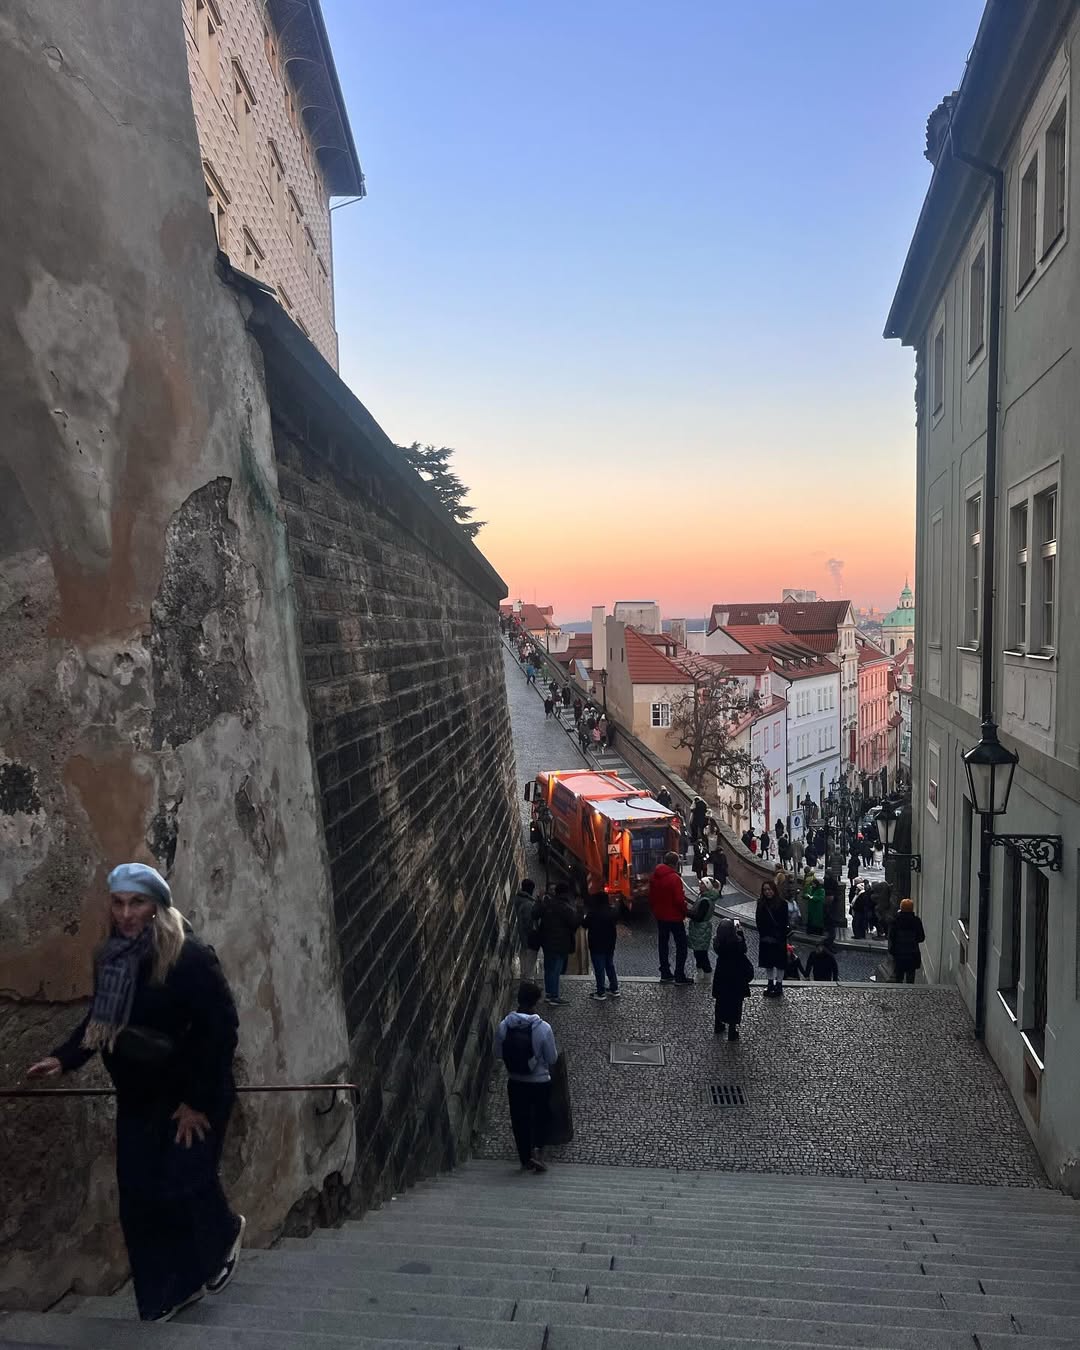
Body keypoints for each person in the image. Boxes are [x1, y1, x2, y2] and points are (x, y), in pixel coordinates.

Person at [27, 863, 243, 1323]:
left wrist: (196, 1103)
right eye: (119, 903)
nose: (126, 914)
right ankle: (164, 1295)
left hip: (190, 1095)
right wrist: (63, 1059)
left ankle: (224, 1233)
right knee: (139, 1200)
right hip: (139, 1097)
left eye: (137, 903)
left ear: (156, 907)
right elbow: (101, 1021)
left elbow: (221, 1031)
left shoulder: (189, 958)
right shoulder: (111, 957)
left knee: (183, 1182)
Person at [494, 981, 559, 1174]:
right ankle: (537, 1150)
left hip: (515, 1081)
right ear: (536, 1002)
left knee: (519, 1119)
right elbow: (552, 1058)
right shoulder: (543, 1028)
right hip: (540, 1082)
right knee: (542, 1116)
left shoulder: (504, 1026)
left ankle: (525, 1158)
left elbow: (498, 1053)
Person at [649, 852, 692, 984]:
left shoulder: (655, 876)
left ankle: (665, 973)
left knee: (663, 944)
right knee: (682, 945)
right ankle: (679, 975)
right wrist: (685, 911)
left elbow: (651, 896)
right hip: (674, 917)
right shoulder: (674, 878)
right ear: (675, 863)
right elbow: (679, 900)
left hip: (660, 916)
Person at [711, 919, 754, 1040]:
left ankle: (718, 1024)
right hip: (736, 975)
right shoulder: (737, 942)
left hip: (722, 974)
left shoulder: (718, 943)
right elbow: (743, 949)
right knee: (735, 1003)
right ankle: (732, 1030)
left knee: (720, 1000)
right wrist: (740, 933)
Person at [538, 882, 580, 1005]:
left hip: (546, 941)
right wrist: (579, 909)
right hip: (560, 943)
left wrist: (540, 900)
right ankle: (554, 996)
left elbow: (535, 914)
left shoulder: (548, 904)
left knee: (548, 969)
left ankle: (549, 994)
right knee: (556, 970)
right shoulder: (565, 907)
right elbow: (574, 923)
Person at [756, 879, 790, 999]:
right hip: (766, 937)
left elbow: (785, 921)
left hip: (779, 938)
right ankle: (770, 983)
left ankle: (779, 984)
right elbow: (758, 920)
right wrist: (763, 933)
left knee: (779, 963)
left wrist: (779, 934)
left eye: (769, 889)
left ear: (774, 890)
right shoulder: (761, 903)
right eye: (765, 890)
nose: (767, 892)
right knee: (768, 963)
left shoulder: (783, 903)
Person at [582, 892, 620, 1001]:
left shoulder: (593, 912)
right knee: (610, 966)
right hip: (610, 944)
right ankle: (614, 988)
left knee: (599, 969)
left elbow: (584, 924)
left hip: (596, 944)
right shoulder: (612, 911)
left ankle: (601, 992)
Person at [889, 898, 926, 983]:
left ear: (901, 908)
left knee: (898, 977)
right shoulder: (916, 921)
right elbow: (921, 937)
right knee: (910, 977)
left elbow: (891, 937)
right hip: (912, 953)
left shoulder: (896, 921)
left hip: (899, 953)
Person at [511, 878, 541, 980]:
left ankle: (525, 982)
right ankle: (528, 984)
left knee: (524, 965)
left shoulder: (519, 899)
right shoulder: (528, 904)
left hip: (523, 938)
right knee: (528, 967)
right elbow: (529, 923)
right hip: (529, 940)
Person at [687, 885, 715, 975]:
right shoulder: (703, 898)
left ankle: (706, 973)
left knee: (701, 953)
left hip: (701, 929)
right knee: (699, 952)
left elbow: (698, 917)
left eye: (702, 884)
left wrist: (686, 911)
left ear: (707, 886)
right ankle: (702, 973)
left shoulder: (705, 901)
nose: (700, 885)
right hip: (700, 929)